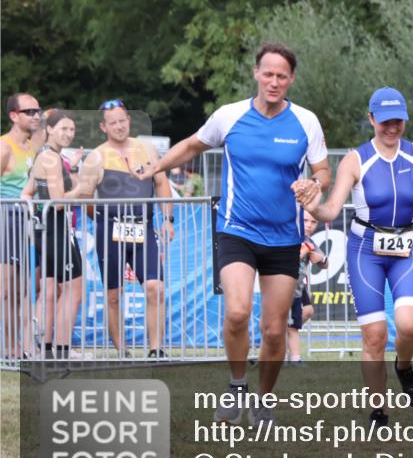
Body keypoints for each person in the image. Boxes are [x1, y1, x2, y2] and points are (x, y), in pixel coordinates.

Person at [140, 42, 331, 426]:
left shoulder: (305, 122)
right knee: (238, 312)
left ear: (292, 79)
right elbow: (193, 146)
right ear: (256, 74)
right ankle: (236, 386)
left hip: (283, 238)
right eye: (268, 73)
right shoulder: (229, 116)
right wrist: (155, 166)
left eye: (282, 76)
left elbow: (323, 171)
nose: (274, 82)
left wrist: (315, 184)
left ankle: (263, 400)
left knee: (275, 331)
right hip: (237, 231)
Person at [295, 87, 413, 427]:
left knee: (408, 326)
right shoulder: (356, 160)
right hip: (365, 252)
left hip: (406, 250)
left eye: (397, 120)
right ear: (371, 119)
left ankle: (404, 366)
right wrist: (310, 203)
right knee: (374, 336)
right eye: (384, 121)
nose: (391, 127)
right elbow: (329, 209)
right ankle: (379, 410)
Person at [81, 99, 174, 359]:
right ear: (103, 127)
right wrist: (103, 220)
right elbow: (86, 199)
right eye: (113, 123)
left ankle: (156, 349)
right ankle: (121, 349)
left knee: (155, 287)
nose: (119, 126)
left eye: (123, 120)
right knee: (114, 294)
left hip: (143, 228)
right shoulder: (96, 156)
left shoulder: (146, 149)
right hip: (109, 231)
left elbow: (162, 183)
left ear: (129, 120)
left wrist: (168, 219)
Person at [22, 109, 91, 359]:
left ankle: (47, 348)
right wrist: (82, 186)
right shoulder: (51, 159)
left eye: (72, 129)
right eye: (63, 128)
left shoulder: (45, 156)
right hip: (55, 229)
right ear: (49, 129)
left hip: (47, 229)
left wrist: (35, 214)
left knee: (52, 290)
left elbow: (26, 193)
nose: (69, 134)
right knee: (74, 289)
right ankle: (62, 350)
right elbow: (60, 202)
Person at [1, 93, 42, 358]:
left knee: (19, 290)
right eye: (29, 111)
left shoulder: (32, 147)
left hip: (27, 222)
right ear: (14, 116)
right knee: (4, 287)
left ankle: (12, 346)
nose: (36, 116)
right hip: (6, 219)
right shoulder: (4, 147)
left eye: (38, 111)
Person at [285, 210, 326, 366]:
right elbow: (288, 262)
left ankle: (292, 357)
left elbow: (324, 263)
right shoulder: (289, 237)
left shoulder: (309, 241)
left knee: (295, 324)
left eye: (313, 222)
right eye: (305, 220)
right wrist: (304, 251)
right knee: (286, 325)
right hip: (283, 286)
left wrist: (321, 258)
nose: (309, 225)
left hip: (297, 288)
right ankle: (277, 355)